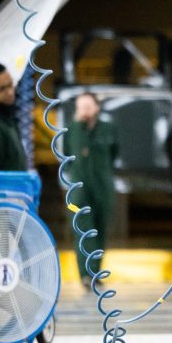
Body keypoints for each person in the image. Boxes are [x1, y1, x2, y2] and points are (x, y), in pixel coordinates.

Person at [64, 92, 119, 285]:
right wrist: (80, 126)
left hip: (102, 187)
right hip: (79, 190)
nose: (84, 111)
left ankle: (96, 273)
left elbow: (114, 153)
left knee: (101, 230)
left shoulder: (108, 128)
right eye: (81, 107)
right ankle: (85, 274)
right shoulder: (72, 129)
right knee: (83, 231)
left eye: (88, 106)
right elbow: (66, 156)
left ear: (97, 107)